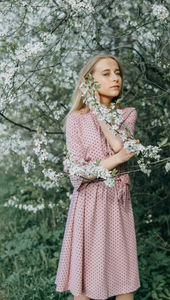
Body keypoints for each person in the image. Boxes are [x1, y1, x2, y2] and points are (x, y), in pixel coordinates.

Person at [55, 53, 141, 300]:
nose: (115, 78)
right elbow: (78, 173)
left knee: (124, 279)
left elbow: (118, 144)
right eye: (106, 73)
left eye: (117, 73)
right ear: (89, 81)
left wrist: (98, 110)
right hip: (88, 205)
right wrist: (118, 159)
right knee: (84, 283)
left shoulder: (127, 114)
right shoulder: (76, 120)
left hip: (117, 203)